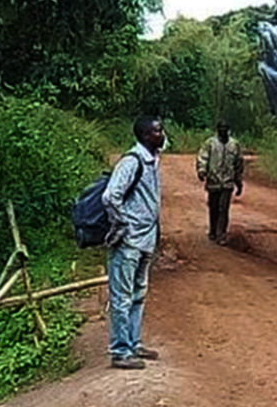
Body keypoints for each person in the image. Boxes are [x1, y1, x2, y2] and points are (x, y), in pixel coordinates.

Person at [104, 115, 165, 370]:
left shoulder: (152, 161)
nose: (162, 135)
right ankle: (120, 350)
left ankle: (133, 342)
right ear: (145, 136)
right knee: (122, 296)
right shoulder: (132, 162)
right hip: (129, 241)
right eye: (157, 131)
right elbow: (111, 196)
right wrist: (124, 225)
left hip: (145, 240)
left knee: (138, 293)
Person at [196, 120, 244, 244]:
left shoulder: (234, 145)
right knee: (214, 207)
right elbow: (203, 157)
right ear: (217, 129)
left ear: (228, 129)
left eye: (225, 128)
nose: (223, 130)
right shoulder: (210, 143)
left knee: (224, 208)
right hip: (213, 181)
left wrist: (238, 182)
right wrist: (202, 171)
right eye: (220, 128)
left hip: (228, 182)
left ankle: (221, 234)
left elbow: (238, 163)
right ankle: (213, 230)